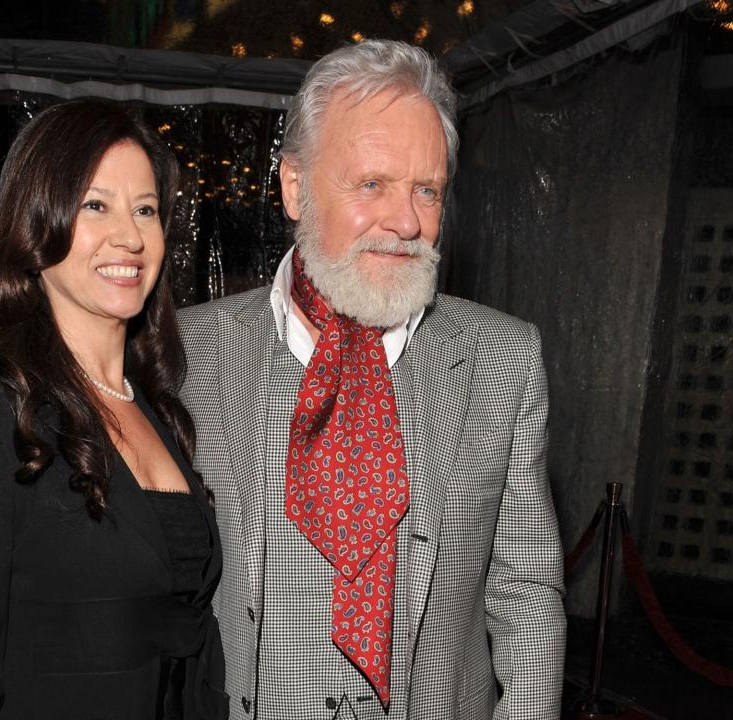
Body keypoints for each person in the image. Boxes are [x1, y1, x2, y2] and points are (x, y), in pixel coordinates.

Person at [178, 40, 566, 720]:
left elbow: (527, 587)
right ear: (295, 188)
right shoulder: (187, 351)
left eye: (427, 189)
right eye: (372, 185)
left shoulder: (503, 359)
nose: (407, 221)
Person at [0, 100, 228, 720]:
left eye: (146, 209)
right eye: (95, 205)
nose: (129, 236)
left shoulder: (158, 402)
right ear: (36, 220)